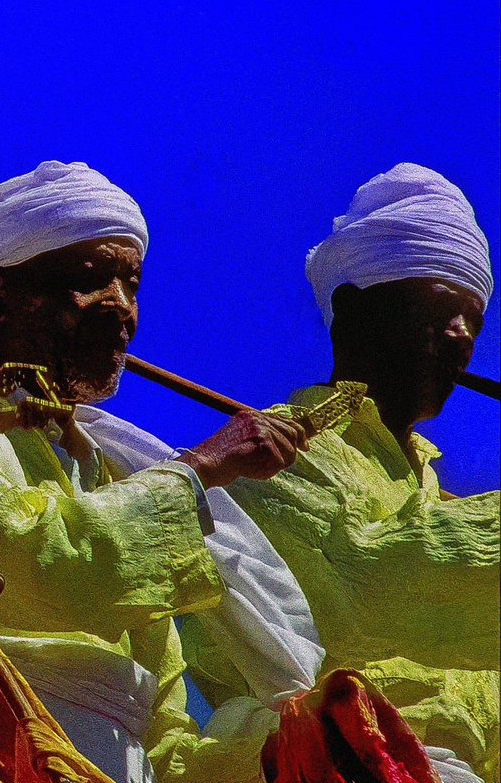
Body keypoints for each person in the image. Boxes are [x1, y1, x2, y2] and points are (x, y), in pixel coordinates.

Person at [0, 160, 326, 783]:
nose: (121, 309)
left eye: (130, 284)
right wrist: (202, 467)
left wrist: (284, 749)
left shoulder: (110, 469)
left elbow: (165, 741)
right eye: (91, 282)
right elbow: (28, 561)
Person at [227, 163, 498, 783]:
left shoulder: (437, 494)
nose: (461, 338)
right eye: (439, 311)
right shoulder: (269, 456)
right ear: (353, 310)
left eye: (474, 322)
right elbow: (371, 584)